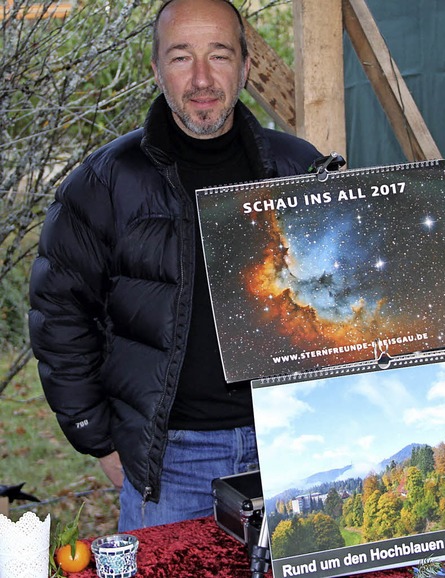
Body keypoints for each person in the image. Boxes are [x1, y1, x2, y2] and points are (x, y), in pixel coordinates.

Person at [28, 0, 322, 532]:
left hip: (294, 448)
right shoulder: (103, 183)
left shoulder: (299, 167)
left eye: (220, 55)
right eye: (182, 57)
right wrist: (96, 436)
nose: (203, 78)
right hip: (170, 464)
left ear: (246, 66)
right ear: (156, 69)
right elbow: (59, 314)